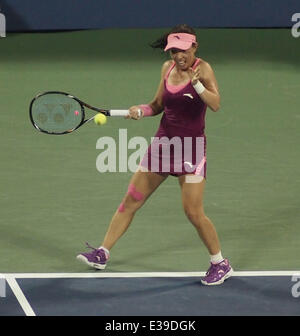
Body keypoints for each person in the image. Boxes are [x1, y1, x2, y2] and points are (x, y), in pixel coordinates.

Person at [77, 24, 233, 285]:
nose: (178, 56)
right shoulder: (167, 69)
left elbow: (216, 104)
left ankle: (220, 263)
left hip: (190, 151)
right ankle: (102, 253)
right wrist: (140, 110)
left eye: (183, 50)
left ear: (194, 47)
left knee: (193, 212)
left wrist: (199, 87)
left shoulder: (203, 70)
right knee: (131, 201)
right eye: (173, 51)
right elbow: (157, 105)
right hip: (162, 148)